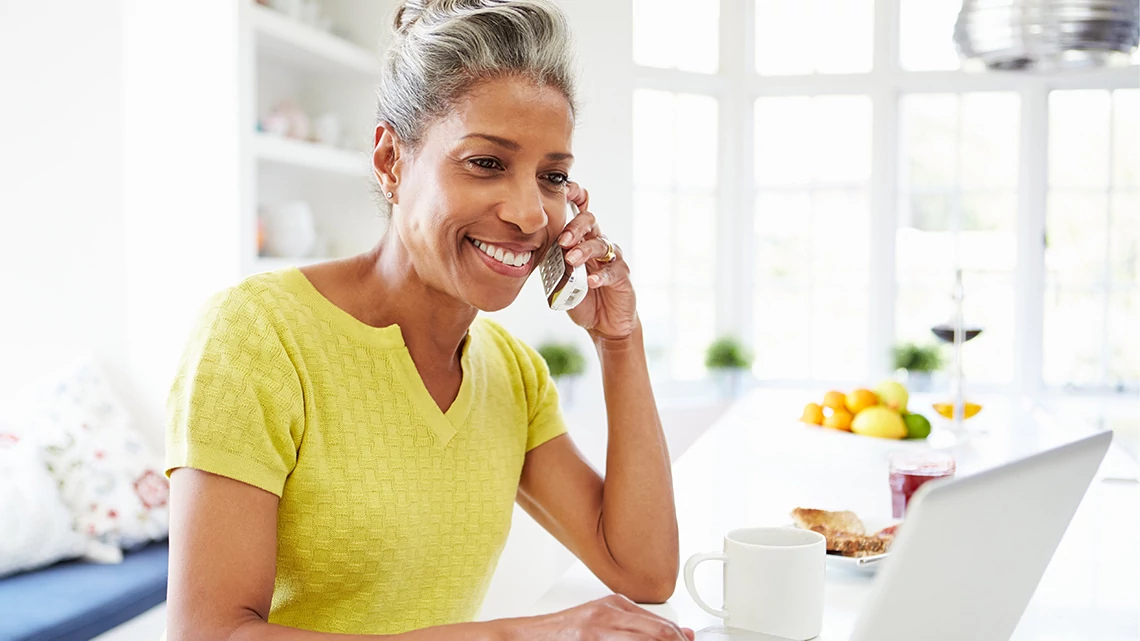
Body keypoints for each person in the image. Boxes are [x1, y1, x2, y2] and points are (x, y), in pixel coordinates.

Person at [164, 1, 690, 639]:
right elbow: (208, 634)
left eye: (552, 177)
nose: (529, 213)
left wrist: (619, 340)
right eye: (486, 162)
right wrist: (518, 634)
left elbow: (646, 570)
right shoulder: (258, 337)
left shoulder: (512, 374)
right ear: (391, 160)